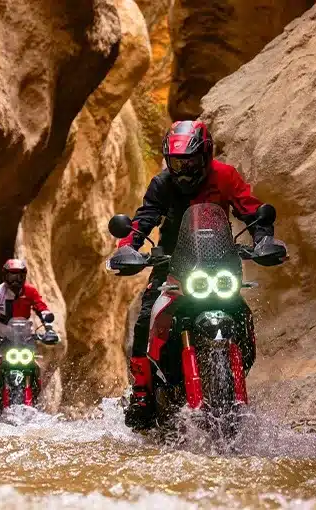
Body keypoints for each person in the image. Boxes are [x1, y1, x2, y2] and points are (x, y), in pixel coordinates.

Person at [110, 120, 275, 430]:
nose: (184, 170)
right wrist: (127, 248)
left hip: (220, 265)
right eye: (176, 163)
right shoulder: (161, 185)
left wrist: (264, 239)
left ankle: (235, 382)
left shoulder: (225, 176)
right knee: (146, 320)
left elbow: (250, 210)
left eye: (191, 161)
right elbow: (143, 220)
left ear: (206, 155)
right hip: (173, 267)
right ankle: (142, 394)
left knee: (241, 313)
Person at [0, 259, 57, 406]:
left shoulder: (30, 291)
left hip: (25, 335)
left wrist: (49, 329)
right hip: (2, 334)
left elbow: (41, 308)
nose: (15, 280)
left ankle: (37, 395)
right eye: (11, 276)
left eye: (18, 276)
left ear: (24, 276)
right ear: (4, 277)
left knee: (34, 364)